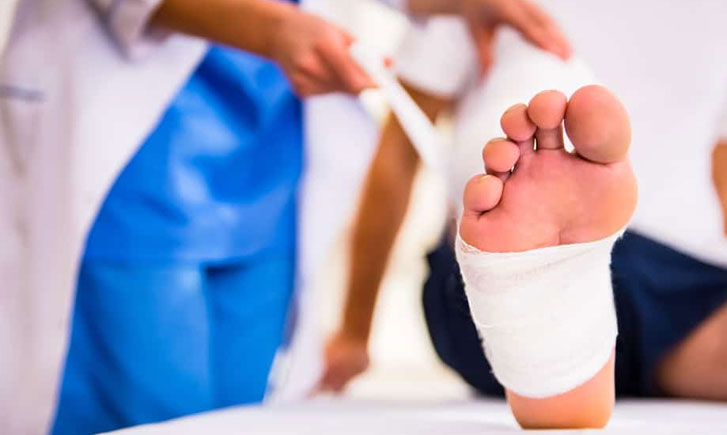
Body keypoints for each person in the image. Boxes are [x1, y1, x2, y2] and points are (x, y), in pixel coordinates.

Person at [0, 0, 572, 433]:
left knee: (241, 413)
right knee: (153, 413)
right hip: (136, 167)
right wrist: (273, 29)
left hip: (270, 161)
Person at [322, 0, 727, 418]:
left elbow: (722, 173)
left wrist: (352, 334)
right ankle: (546, 284)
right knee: (520, 259)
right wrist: (354, 330)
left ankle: (556, 335)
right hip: (504, 249)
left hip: (687, 271)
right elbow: (398, 160)